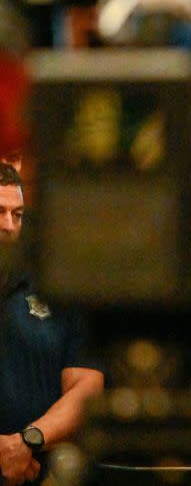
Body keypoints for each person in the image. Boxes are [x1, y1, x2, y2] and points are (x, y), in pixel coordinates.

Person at [0, 164, 105, 485]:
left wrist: (27, 441)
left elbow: (87, 385)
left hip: (46, 475)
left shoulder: (55, 289)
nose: (8, 226)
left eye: (17, 215)